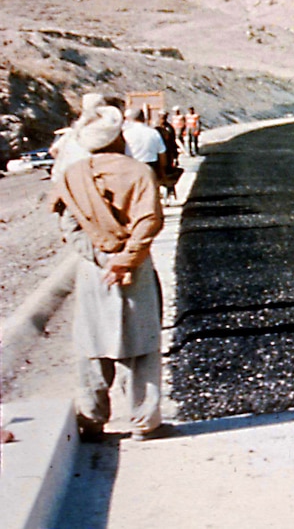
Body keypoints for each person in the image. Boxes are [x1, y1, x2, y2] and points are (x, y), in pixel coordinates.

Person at [49, 104, 167, 440]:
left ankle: (92, 420)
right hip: (135, 270)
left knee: (92, 345)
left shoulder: (72, 176)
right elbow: (148, 223)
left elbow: (69, 228)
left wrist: (102, 260)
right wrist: (125, 261)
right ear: (119, 139)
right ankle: (144, 423)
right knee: (141, 344)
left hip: (93, 272)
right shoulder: (139, 173)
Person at [122, 107, 167, 184]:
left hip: (132, 168)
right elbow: (162, 154)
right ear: (143, 118)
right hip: (151, 168)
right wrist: (162, 172)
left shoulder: (125, 134)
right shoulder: (153, 133)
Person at [155, 113, 182, 202]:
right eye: (161, 117)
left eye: (164, 117)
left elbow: (173, 143)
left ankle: (169, 192)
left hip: (168, 155)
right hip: (158, 155)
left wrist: (175, 157)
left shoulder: (169, 128)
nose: (163, 119)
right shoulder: (156, 129)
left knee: (169, 174)